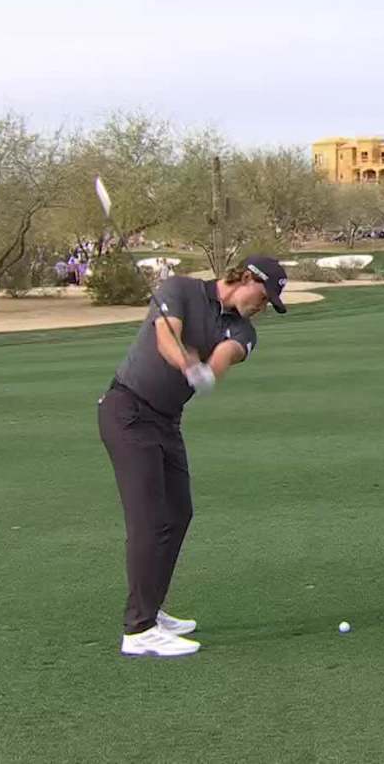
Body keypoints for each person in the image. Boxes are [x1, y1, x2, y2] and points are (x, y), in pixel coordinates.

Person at [98, 255, 289, 657]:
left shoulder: (244, 328)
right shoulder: (179, 290)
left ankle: (152, 606)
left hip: (166, 421)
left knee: (178, 513)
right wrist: (185, 360)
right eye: (264, 295)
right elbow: (167, 338)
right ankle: (139, 630)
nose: (263, 305)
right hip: (127, 412)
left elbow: (227, 355)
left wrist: (206, 371)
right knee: (149, 518)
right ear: (246, 278)